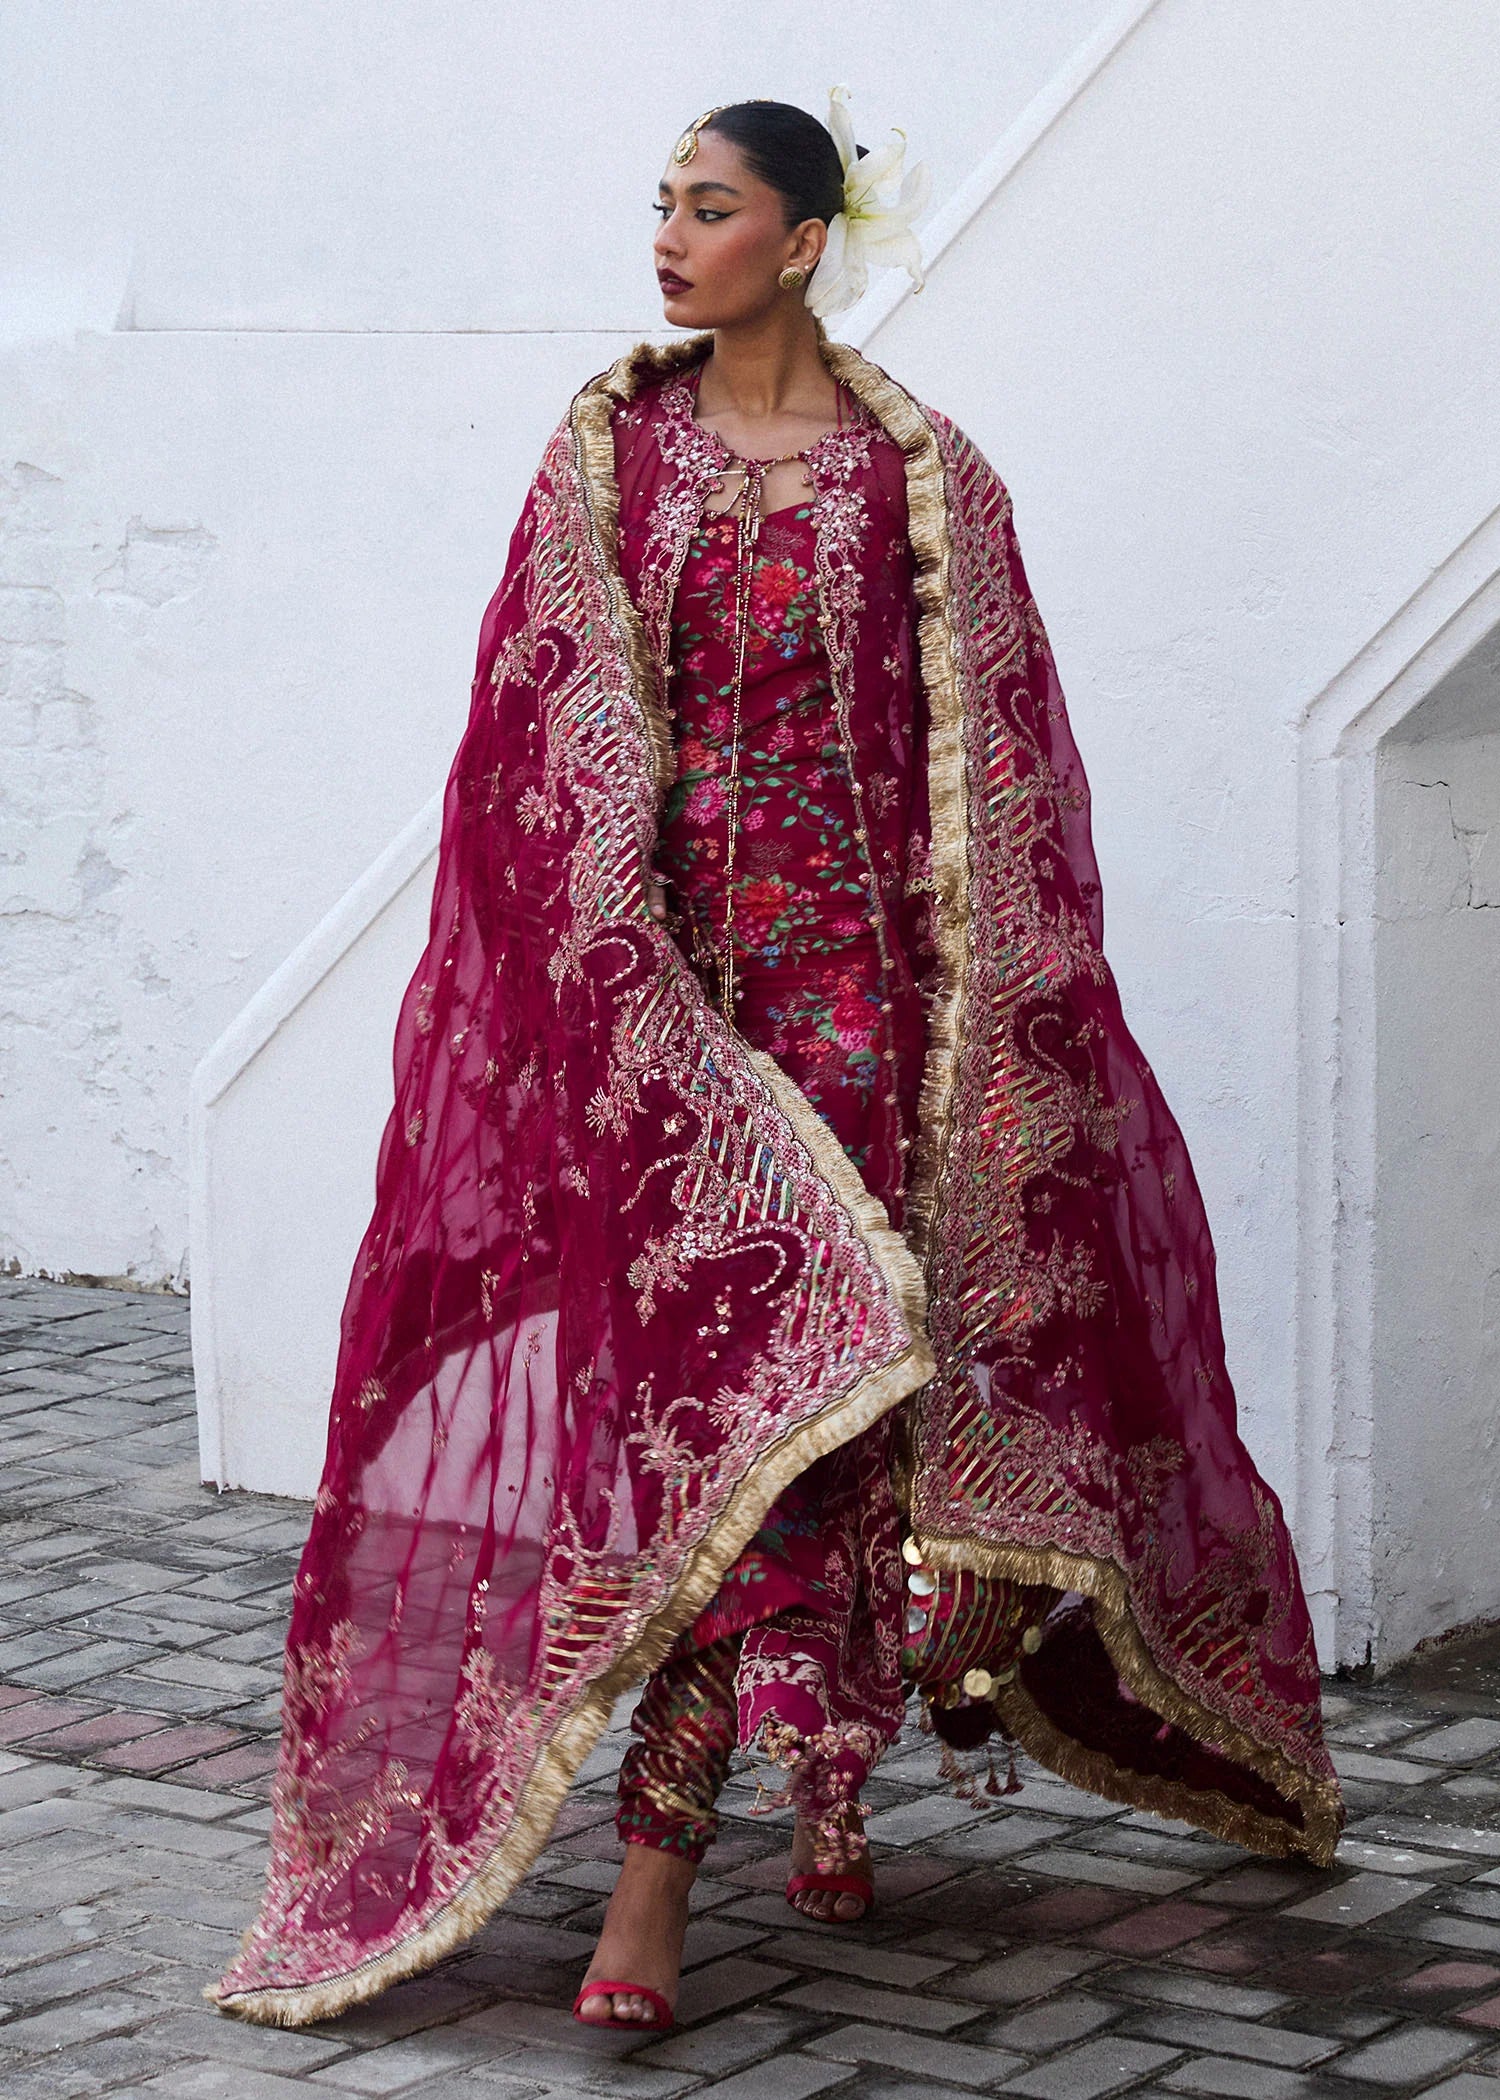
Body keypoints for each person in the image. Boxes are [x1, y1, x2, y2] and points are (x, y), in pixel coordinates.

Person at [208, 92, 1342, 2038]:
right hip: (676, 1051)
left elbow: (1005, 778)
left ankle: (776, 1805)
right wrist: (611, 1000)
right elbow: (533, 755)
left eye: (711, 208)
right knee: (726, 1420)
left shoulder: (923, 477)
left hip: (877, 1037)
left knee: (850, 1425)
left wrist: (1003, 1059)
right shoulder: (608, 457)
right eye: (661, 204)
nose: (669, 237)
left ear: (804, 239)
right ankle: (694, 1843)